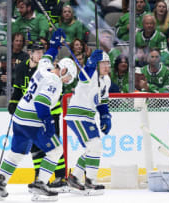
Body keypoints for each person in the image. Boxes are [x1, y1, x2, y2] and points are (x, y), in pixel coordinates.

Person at [0, 29, 77, 201]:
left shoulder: (44, 67)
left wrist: (54, 45)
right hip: (32, 120)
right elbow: (41, 104)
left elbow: (48, 55)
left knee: (17, 152)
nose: (67, 81)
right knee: (56, 150)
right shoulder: (55, 82)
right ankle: (40, 185)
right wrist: (49, 125)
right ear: (64, 70)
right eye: (69, 77)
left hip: (20, 117)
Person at [64, 49, 112, 195]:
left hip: (88, 117)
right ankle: (90, 181)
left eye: (108, 63)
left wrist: (105, 116)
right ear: (97, 65)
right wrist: (90, 64)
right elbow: (83, 77)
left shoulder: (107, 80)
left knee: (93, 148)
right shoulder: (91, 74)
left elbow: (102, 102)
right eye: (102, 63)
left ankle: (74, 177)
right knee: (95, 145)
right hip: (78, 115)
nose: (106, 66)